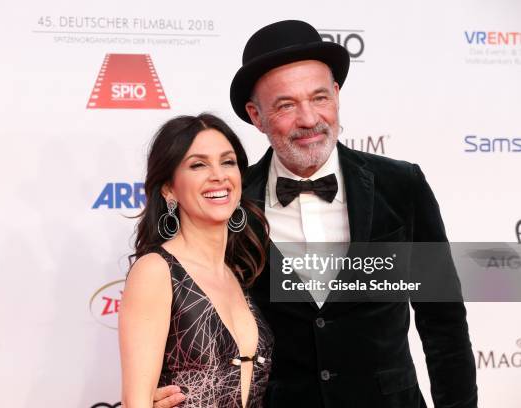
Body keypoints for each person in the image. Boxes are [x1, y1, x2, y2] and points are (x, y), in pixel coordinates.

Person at [153, 20, 478, 408]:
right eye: (286, 105)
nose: (309, 119)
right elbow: (190, 315)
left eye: (319, 98)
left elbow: (443, 323)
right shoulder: (233, 201)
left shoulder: (401, 185)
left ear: (337, 95)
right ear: (256, 116)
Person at [119, 113, 274, 407]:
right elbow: (135, 401)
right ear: (168, 188)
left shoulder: (237, 272)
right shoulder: (156, 271)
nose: (218, 175)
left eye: (227, 162)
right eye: (198, 164)